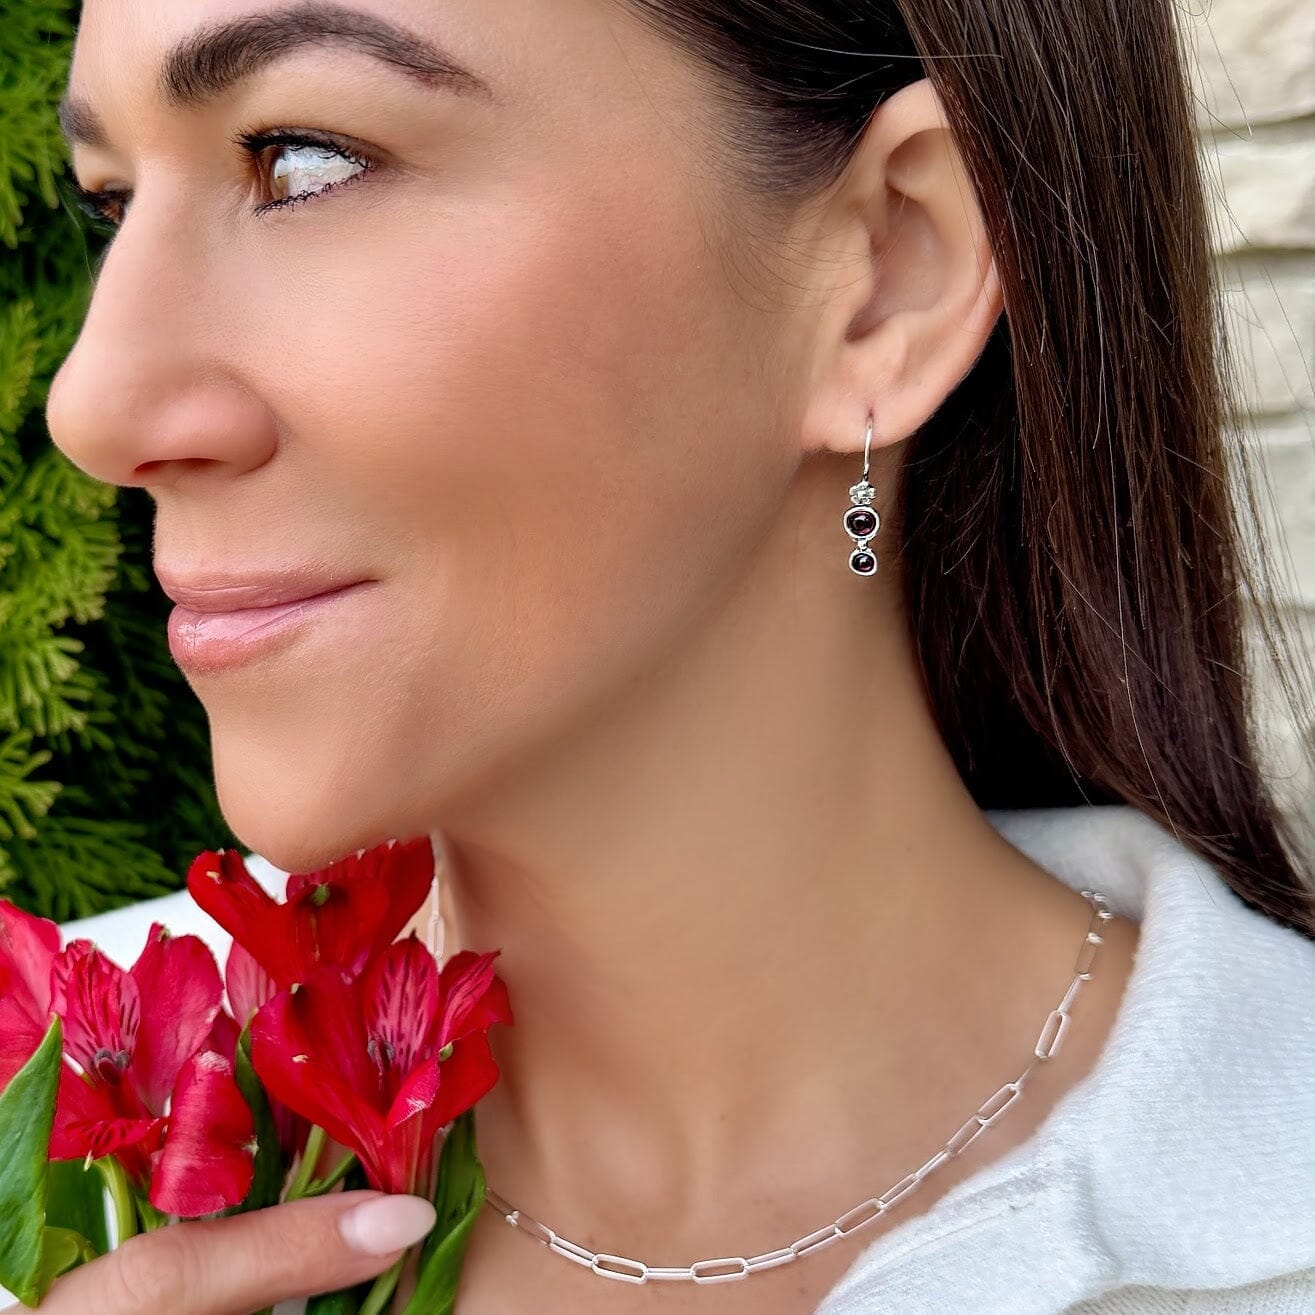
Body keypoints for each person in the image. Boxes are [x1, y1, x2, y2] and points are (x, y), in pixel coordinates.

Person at [18, 0, 1315, 1311]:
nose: (96, 404)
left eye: (302, 162)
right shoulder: (58, 1133)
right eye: (114, 203)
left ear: (889, 270)